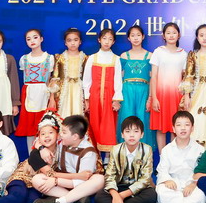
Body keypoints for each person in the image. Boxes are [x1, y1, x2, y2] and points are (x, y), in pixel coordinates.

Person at [91, 116, 158, 203]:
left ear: (142, 134)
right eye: (127, 131)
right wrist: (115, 194)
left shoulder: (147, 149)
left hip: (138, 188)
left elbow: (145, 179)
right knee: (99, 197)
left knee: (152, 196)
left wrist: (121, 196)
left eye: (136, 131)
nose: (131, 135)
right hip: (120, 185)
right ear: (122, 134)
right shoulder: (115, 149)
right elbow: (109, 175)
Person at [30, 115, 106, 203]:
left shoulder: (88, 152)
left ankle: (60, 202)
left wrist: (56, 181)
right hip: (63, 181)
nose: (60, 134)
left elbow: (82, 180)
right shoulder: (63, 141)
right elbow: (39, 139)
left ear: (75, 137)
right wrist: (41, 148)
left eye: (64, 132)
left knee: (100, 179)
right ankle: (77, 199)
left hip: (80, 185)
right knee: (37, 179)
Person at [155, 111, 206, 203]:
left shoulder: (200, 149)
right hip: (173, 185)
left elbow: (202, 172)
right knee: (162, 191)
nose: (183, 128)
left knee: (201, 194)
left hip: (193, 185)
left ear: (192, 128)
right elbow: (162, 171)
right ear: (173, 128)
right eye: (179, 125)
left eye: (187, 125)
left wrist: (193, 184)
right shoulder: (166, 149)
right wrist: (167, 180)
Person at [83, 28, 123, 157]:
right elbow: (87, 80)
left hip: (109, 96)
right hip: (94, 96)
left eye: (110, 39)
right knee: (94, 124)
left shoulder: (116, 59)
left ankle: (108, 159)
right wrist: (87, 99)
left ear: (113, 42)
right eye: (104, 38)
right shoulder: (92, 58)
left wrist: (116, 99)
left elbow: (118, 80)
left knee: (109, 126)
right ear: (99, 40)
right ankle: (96, 158)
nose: (107, 42)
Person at [14, 29, 55, 151]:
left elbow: (49, 80)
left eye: (35, 37)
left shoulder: (49, 58)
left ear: (41, 39)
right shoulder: (24, 59)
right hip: (29, 93)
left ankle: (47, 156)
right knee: (29, 127)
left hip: (43, 93)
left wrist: (52, 98)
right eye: (28, 39)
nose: (32, 41)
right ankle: (32, 156)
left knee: (44, 125)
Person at [149, 22, 187, 150]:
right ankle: (162, 157)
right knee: (160, 128)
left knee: (174, 127)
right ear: (163, 35)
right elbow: (154, 77)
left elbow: (186, 78)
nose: (171, 35)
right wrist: (154, 98)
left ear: (179, 35)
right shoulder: (158, 52)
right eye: (168, 33)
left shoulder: (183, 54)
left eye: (174, 33)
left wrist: (185, 96)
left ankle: (173, 156)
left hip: (177, 96)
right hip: (160, 95)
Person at [119, 25, 154, 148]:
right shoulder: (124, 56)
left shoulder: (150, 56)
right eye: (132, 35)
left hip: (143, 90)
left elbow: (152, 78)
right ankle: (124, 151)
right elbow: (120, 77)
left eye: (138, 35)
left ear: (143, 37)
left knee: (142, 119)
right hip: (127, 90)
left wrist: (150, 97)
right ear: (128, 38)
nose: (136, 38)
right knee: (126, 117)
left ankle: (143, 152)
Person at [49, 28, 87, 119]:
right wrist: (52, 98)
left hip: (78, 92)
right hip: (64, 91)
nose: (72, 43)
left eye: (75, 40)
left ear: (80, 42)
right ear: (65, 43)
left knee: (77, 116)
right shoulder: (60, 58)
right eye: (69, 40)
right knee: (63, 116)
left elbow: (87, 80)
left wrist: (87, 99)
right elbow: (55, 78)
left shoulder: (85, 58)